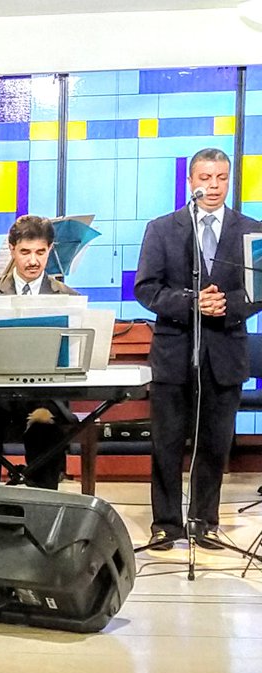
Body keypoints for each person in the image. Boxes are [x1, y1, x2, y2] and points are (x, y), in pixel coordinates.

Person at [135, 148, 262, 551]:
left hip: (225, 351)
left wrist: (227, 306)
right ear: (191, 181)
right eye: (205, 177)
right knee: (167, 441)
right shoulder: (163, 228)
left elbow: (259, 290)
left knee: (214, 442)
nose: (213, 185)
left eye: (221, 177)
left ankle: (204, 520)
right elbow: (146, 289)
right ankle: (166, 523)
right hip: (174, 352)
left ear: (229, 180)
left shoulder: (251, 229)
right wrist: (192, 301)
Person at [0, 215, 80, 489]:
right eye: (25, 252)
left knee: (44, 424)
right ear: (12, 249)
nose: (33, 261)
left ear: (50, 249)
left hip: (45, 395)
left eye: (40, 252)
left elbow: (75, 360)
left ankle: (42, 507)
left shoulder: (67, 296)